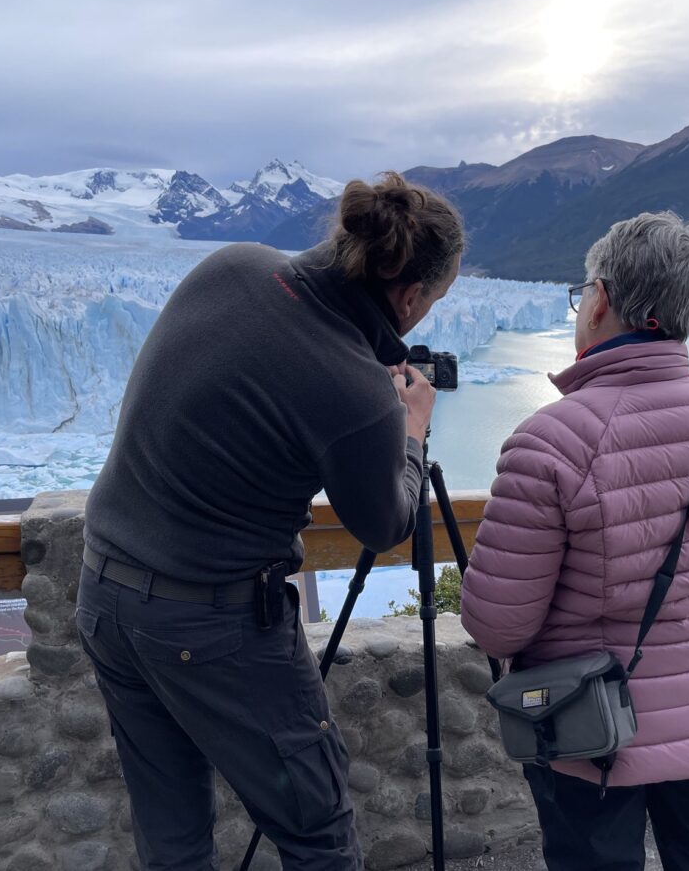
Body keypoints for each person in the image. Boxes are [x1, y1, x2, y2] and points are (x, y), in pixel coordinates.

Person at [76, 171, 464, 870]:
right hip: (214, 622)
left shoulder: (233, 263)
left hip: (105, 593)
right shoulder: (355, 388)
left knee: (172, 834)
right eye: (433, 301)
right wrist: (409, 432)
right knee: (316, 830)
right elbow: (385, 524)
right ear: (409, 298)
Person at [460, 211, 689, 871]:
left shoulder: (549, 442)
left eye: (584, 290)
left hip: (589, 734)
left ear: (603, 300)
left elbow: (499, 625)